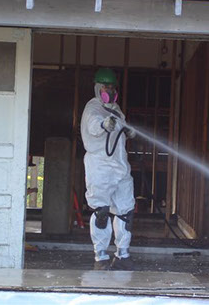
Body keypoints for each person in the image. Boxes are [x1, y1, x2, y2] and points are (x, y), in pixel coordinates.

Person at [80, 68, 136, 270]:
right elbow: (93, 126)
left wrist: (128, 130)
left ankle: (123, 254)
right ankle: (101, 256)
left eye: (112, 87)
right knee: (101, 211)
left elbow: (120, 126)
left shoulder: (116, 108)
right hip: (100, 165)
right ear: (97, 87)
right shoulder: (93, 107)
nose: (110, 91)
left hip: (120, 165)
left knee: (125, 211)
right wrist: (104, 124)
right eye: (106, 87)